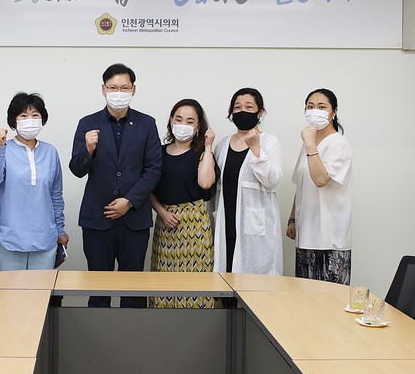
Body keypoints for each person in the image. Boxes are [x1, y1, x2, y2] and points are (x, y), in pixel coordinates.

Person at [69, 63, 162, 308]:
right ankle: (99, 332)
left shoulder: (146, 123)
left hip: (134, 218)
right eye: (113, 88)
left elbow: (154, 169)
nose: (118, 93)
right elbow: (77, 170)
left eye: (124, 88)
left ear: (133, 90)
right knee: (99, 288)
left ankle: (132, 332)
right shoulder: (87, 123)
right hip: (97, 219)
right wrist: (88, 149)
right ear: (103, 90)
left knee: (133, 289)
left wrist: (129, 201)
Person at [0, 92, 68, 270]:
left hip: (45, 238)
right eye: (23, 115)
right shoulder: (3, 149)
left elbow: (56, 196)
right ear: (14, 121)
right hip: (10, 238)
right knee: (9, 288)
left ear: (42, 119)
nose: (30, 120)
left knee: (41, 288)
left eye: (35, 115)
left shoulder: (50, 152)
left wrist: (60, 230)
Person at [149, 99, 218, 308]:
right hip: (166, 222)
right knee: (164, 283)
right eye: (178, 119)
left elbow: (205, 183)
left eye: (189, 121)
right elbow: (147, 189)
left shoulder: (202, 153)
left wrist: (208, 146)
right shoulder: (158, 153)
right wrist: (162, 213)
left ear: (198, 126)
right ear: (171, 121)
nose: (182, 124)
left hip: (195, 224)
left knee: (196, 283)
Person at [211, 88, 283, 276]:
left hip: (254, 228)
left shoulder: (269, 142)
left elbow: (272, 181)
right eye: (237, 107)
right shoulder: (222, 145)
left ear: (260, 112)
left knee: (254, 282)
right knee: (225, 277)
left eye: (249, 107)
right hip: (226, 223)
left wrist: (256, 149)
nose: (242, 111)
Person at [286, 88, 352, 285]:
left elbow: (321, 179)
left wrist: (310, 145)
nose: (315, 111)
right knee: (304, 295)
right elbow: (300, 185)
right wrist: (292, 220)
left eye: (322, 107)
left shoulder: (338, 144)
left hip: (329, 238)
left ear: (334, 112)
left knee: (329, 297)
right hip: (305, 234)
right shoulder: (308, 144)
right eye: (310, 106)